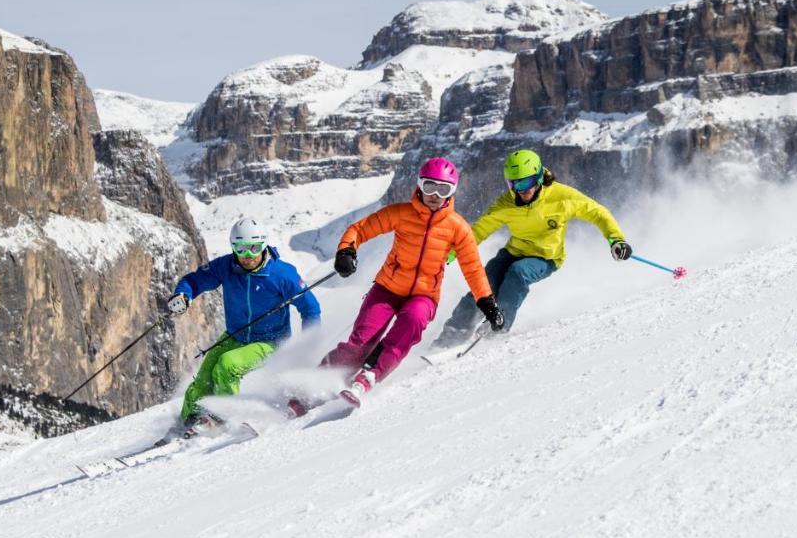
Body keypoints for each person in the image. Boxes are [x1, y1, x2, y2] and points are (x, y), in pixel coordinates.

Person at [322, 157, 504, 407]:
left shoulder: (457, 228)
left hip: (424, 296)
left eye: (443, 189)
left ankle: (368, 378)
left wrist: (488, 303)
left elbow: (473, 268)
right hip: (386, 289)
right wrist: (346, 251)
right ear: (419, 185)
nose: (434, 195)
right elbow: (360, 229)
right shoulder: (401, 213)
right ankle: (317, 383)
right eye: (429, 186)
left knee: (412, 322)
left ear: (452, 191)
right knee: (359, 344)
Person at [431, 149, 631, 349]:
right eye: (514, 184)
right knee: (484, 284)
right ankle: (453, 333)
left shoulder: (561, 197)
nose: (522, 190)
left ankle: (499, 326)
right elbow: (478, 231)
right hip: (513, 252)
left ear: (539, 177)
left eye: (526, 183)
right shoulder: (506, 204)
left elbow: (598, 213)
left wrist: (616, 240)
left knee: (517, 273)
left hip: (546, 257)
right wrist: (450, 253)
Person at [166, 217, 320, 427]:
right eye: (240, 249)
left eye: (254, 248)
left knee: (227, 365)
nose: (247, 256)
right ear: (233, 247)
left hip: (271, 341)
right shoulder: (226, 266)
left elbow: (310, 307)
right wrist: (184, 295)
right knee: (203, 378)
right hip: (235, 335)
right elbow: (195, 280)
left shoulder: (282, 274)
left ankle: (226, 418)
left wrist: (308, 345)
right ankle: (186, 423)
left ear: (263, 245)